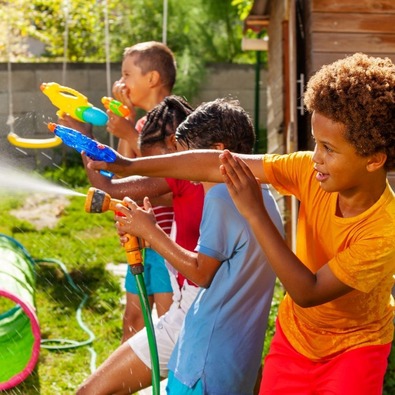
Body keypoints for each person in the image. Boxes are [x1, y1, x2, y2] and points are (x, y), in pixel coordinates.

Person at [88, 53, 395, 394]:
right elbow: (219, 163)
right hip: (296, 338)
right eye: (315, 143)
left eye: (329, 149)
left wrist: (254, 212)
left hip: (355, 348)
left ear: (374, 159)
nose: (317, 157)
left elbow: (307, 291)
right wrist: (128, 166)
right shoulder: (309, 168)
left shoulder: (384, 231)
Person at [113, 98, 284, 394]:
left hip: (204, 361)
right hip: (239, 362)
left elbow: (201, 272)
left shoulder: (221, 197)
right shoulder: (265, 198)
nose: (182, 172)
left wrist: (150, 231)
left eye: (185, 159)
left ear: (218, 153)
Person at [77, 96, 204, 395]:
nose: (151, 173)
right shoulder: (188, 180)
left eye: (154, 162)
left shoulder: (185, 176)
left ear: (174, 144)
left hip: (196, 319)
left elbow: (106, 187)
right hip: (189, 314)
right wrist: (146, 230)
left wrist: (82, 137)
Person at [63, 41, 178, 342]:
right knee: (134, 320)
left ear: (151, 79)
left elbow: (169, 171)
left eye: (127, 74)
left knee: (170, 324)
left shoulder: (174, 119)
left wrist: (129, 132)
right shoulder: (138, 122)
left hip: (168, 244)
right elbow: (120, 169)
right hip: (140, 241)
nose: (120, 83)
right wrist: (88, 136)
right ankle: (127, 383)